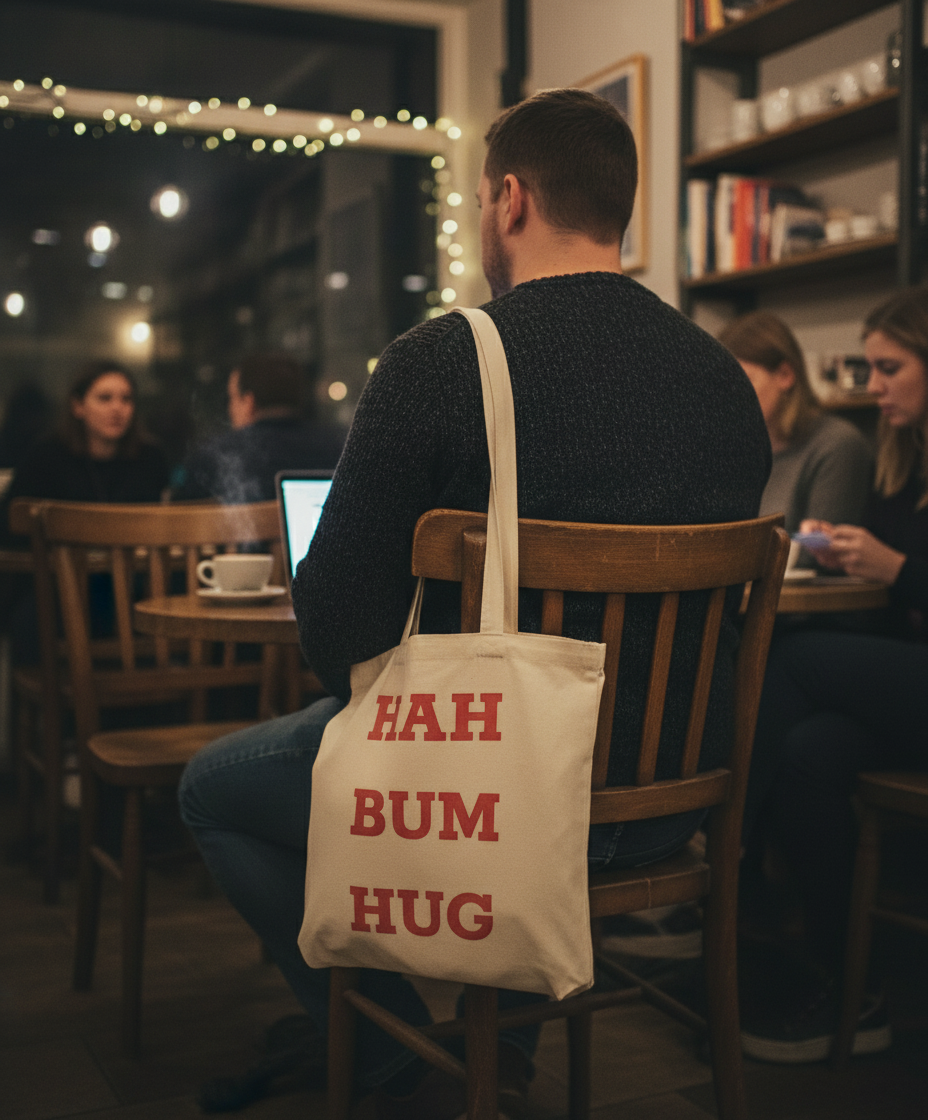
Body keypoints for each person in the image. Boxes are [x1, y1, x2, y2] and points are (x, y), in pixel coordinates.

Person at [179, 88, 770, 1117]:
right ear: (617, 208)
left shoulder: (441, 362)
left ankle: (390, 1056)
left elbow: (341, 636)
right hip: (678, 799)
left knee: (212, 788)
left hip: (499, 797)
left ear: (507, 198)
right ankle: (464, 1043)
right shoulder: (723, 379)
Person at [740, 286, 928, 1064]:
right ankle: (852, 983)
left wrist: (900, 570)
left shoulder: (848, 445)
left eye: (889, 368)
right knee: (809, 753)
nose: (872, 384)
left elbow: (902, 582)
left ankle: (725, 867)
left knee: (794, 660)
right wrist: (840, 548)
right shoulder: (898, 457)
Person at [718, 311, 872, 558]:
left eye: (742, 383)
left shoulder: (836, 444)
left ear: (785, 376)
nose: (728, 400)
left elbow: (820, 554)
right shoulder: (735, 450)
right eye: (722, 387)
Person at [172, 352, 345, 503]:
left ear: (248, 402)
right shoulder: (341, 449)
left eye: (232, 398)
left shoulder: (212, 458)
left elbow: (181, 520)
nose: (229, 409)